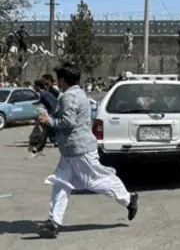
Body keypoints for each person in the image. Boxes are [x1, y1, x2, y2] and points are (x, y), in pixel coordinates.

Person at [36, 63, 138, 238]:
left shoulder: (69, 97)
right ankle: (54, 222)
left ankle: (129, 199)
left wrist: (47, 121)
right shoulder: (78, 93)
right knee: (60, 184)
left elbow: (68, 123)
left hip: (79, 150)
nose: (56, 83)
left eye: (58, 80)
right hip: (70, 151)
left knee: (96, 181)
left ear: (62, 80)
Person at [28, 79, 59, 153]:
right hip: (54, 112)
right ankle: (53, 142)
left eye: (35, 86)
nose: (34, 88)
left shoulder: (43, 94)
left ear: (38, 87)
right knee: (47, 128)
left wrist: (50, 115)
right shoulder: (45, 93)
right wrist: (35, 103)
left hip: (53, 113)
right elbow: (42, 100)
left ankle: (39, 146)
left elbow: (52, 104)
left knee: (46, 128)